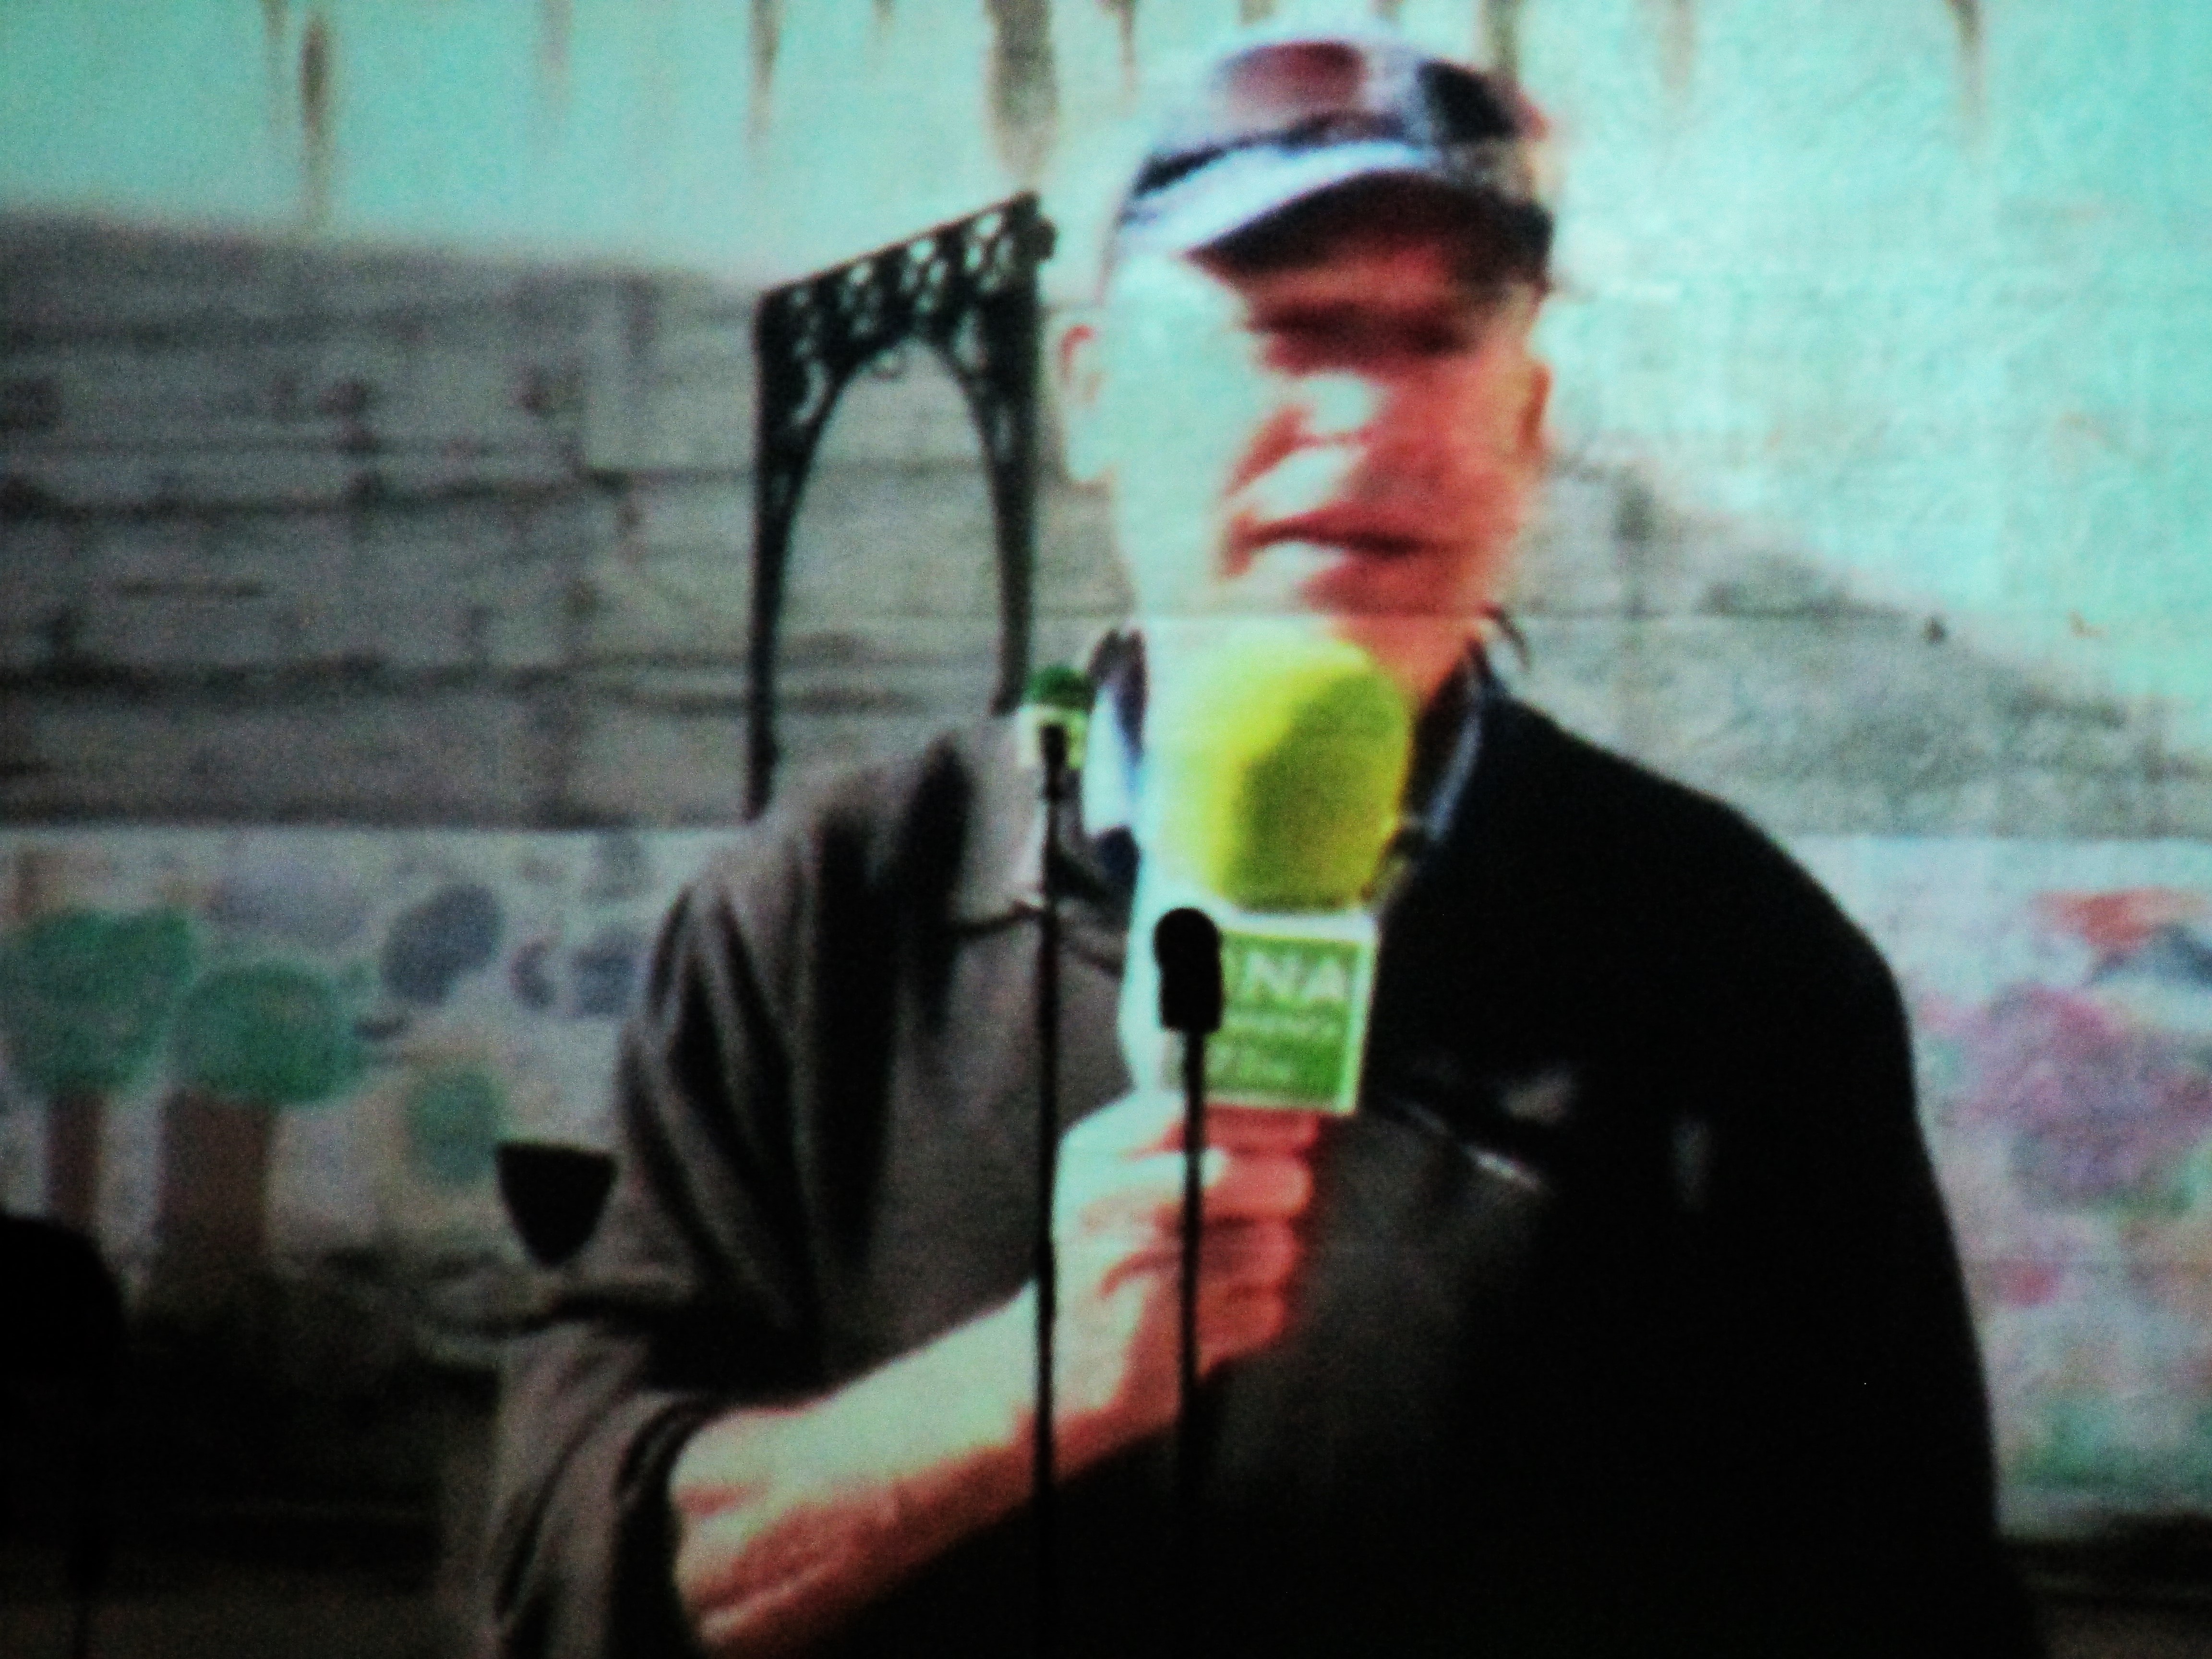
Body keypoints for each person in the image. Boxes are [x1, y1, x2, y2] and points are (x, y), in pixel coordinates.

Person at [487, 29, 2042, 1659]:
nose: (1367, 419)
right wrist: (1026, 1387)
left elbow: (1914, 1610)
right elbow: (565, 1573)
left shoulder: (1738, 970)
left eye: (1443, 339)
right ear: (1093, 393)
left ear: (1527, 426)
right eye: (1285, 328)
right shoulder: (827, 920)